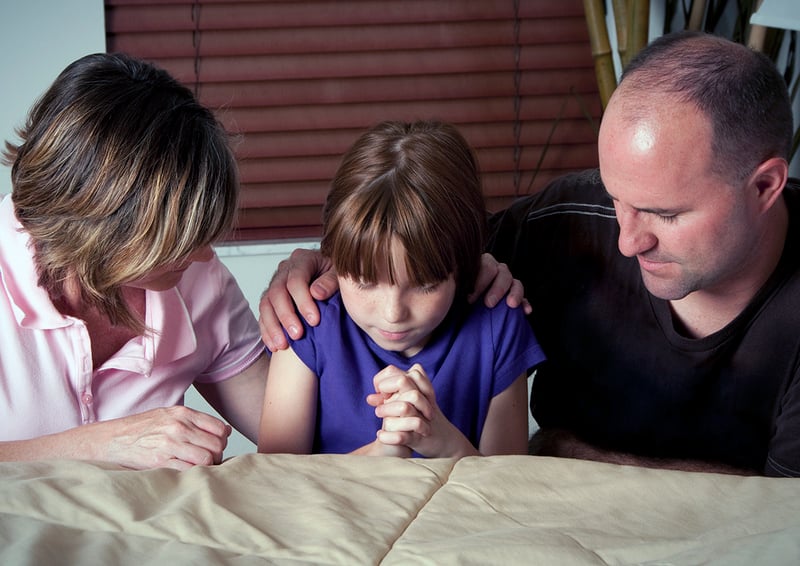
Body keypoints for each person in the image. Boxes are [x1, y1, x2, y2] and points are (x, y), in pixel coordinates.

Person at [258, 31, 800, 477]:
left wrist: (566, 454)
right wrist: (314, 263)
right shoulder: (562, 222)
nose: (627, 240)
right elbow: (417, 243)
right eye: (617, 200)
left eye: (665, 214)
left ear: (765, 186)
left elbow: (779, 512)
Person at [0, 52, 270, 471]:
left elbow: (299, 435)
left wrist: (335, 280)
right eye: (175, 240)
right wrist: (98, 445)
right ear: (97, 224)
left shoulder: (201, 280)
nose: (202, 254)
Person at [257, 121, 545, 457]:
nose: (393, 313)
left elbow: (507, 492)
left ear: (465, 265)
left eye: (425, 285)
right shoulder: (308, 322)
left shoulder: (499, 326)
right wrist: (381, 454)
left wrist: (446, 444)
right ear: (334, 259)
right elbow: (275, 483)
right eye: (365, 281)